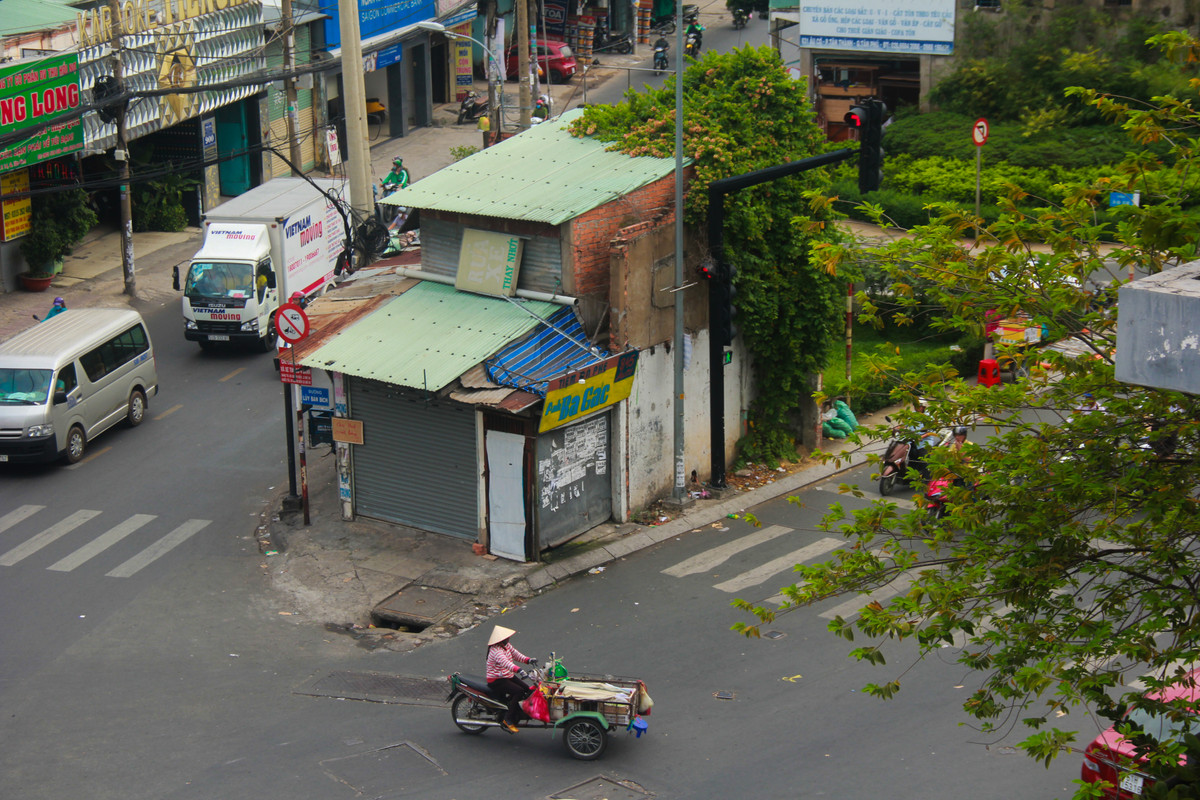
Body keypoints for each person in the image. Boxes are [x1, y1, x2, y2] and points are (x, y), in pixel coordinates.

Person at [485, 625, 537, 734]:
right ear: (500, 640)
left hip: (506, 675)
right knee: (519, 691)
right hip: (496, 679)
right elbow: (506, 663)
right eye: (506, 638)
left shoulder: (506, 646)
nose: (508, 639)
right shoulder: (495, 650)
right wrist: (519, 670)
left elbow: (516, 654)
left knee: (527, 689)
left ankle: (512, 708)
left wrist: (528, 660)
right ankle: (507, 719)